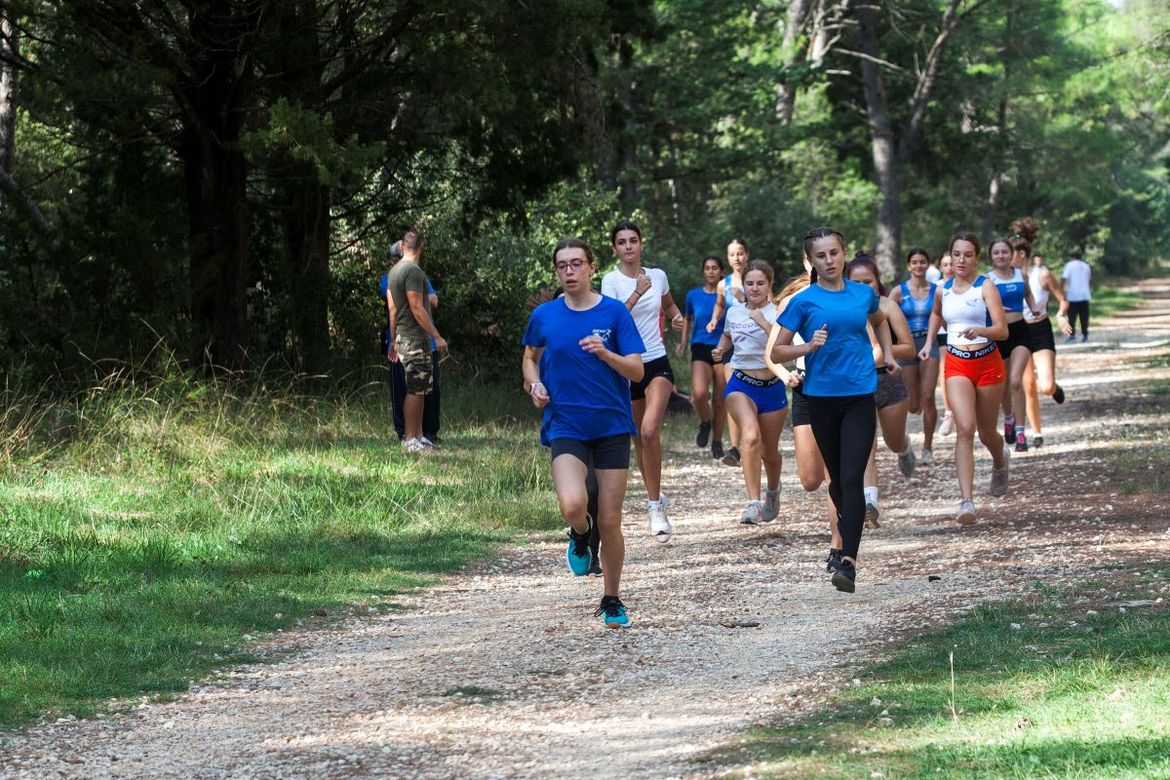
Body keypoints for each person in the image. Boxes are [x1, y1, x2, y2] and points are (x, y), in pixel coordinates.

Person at [521, 238, 645, 627]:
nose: (570, 271)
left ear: (592, 267)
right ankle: (578, 532)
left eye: (577, 264)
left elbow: (637, 371)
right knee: (574, 505)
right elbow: (529, 358)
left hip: (610, 425)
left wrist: (606, 354)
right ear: (557, 271)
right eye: (562, 265)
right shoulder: (544, 315)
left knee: (611, 519)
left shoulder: (613, 314)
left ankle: (611, 598)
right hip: (566, 424)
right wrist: (534, 385)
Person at [770, 227, 898, 594]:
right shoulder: (803, 302)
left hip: (859, 395)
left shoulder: (863, 294)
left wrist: (887, 355)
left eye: (834, 253)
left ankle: (848, 562)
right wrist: (808, 346)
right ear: (811, 261)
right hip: (820, 398)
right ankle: (848, 539)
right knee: (838, 482)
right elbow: (777, 352)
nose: (829, 261)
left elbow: (879, 320)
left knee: (853, 477)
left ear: (843, 254)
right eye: (821, 256)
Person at [601, 221, 685, 542]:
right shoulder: (610, 282)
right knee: (639, 437)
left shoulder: (658, 275)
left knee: (650, 429)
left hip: (657, 361)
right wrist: (637, 292)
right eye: (621, 242)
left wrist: (677, 318)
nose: (628, 246)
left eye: (632, 241)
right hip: (628, 366)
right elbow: (612, 318)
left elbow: (669, 305)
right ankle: (656, 501)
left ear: (641, 244)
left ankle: (654, 506)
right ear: (615, 249)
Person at [919, 232, 1010, 525]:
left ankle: (1000, 459)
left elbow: (1002, 330)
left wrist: (980, 331)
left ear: (976, 258)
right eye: (956, 254)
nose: (961, 260)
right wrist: (929, 341)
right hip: (958, 363)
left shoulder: (986, 287)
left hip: (987, 363)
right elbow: (935, 315)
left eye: (968, 255)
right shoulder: (941, 289)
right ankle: (966, 501)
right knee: (965, 429)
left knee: (986, 432)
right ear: (949, 256)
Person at [711, 260, 793, 524]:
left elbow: (783, 347)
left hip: (771, 387)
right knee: (750, 436)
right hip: (740, 383)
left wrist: (764, 324)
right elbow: (727, 335)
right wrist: (721, 349)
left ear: (769, 285)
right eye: (750, 283)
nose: (755, 288)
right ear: (743, 285)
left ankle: (773, 490)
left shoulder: (778, 312)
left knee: (770, 451)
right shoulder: (734, 313)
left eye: (760, 283)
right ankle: (753, 503)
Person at [845, 253, 917, 529]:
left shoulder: (887, 307)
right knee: (865, 443)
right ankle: (870, 502)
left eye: (868, 281)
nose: (863, 286)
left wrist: (881, 352)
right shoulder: (843, 309)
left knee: (892, 439)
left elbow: (909, 348)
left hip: (888, 380)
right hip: (856, 383)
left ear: (878, 283)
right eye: (857, 281)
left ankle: (905, 448)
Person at [386, 229, 448, 452]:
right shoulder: (413, 271)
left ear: (403, 247)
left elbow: (392, 309)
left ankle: (418, 435)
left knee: (420, 388)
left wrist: (393, 340)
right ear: (421, 247)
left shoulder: (394, 271)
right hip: (414, 338)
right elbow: (416, 307)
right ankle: (410, 439)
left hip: (404, 336)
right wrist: (436, 336)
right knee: (414, 389)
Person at [987, 237, 1040, 452]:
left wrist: (1034, 309)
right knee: (1003, 385)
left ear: (1011, 255)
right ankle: (1008, 417)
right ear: (991, 257)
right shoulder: (987, 279)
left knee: (1016, 381)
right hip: (998, 335)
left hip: (1020, 331)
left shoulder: (1021, 274)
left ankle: (1020, 432)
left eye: (1004, 252)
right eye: (996, 252)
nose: (1001, 256)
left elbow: (1028, 294)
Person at [889, 247, 940, 465]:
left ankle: (927, 447)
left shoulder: (937, 290)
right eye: (915, 262)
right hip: (906, 346)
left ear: (928, 264)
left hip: (929, 343)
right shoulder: (899, 292)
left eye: (922, 261)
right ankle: (905, 443)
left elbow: (942, 317)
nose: (919, 265)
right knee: (912, 404)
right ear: (909, 266)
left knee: (928, 397)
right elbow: (885, 318)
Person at [1021, 248, 1073, 447]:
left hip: (1041, 328)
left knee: (1046, 386)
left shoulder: (1042, 275)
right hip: (1020, 331)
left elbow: (1062, 300)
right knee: (1028, 386)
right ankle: (1036, 432)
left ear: (1022, 254)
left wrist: (1060, 316)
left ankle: (1054, 388)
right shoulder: (1007, 277)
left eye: (1012, 253)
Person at [677, 255, 727, 460]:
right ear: (703, 272)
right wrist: (682, 342)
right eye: (707, 268)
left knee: (719, 399)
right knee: (699, 394)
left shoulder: (728, 295)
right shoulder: (693, 296)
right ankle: (705, 422)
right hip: (699, 346)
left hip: (723, 348)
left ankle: (717, 441)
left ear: (721, 272)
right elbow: (687, 320)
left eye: (715, 268)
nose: (711, 271)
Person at [706, 238, 751, 466]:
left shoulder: (756, 278)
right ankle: (734, 448)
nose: (737, 258)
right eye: (732, 254)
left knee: (750, 393)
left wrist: (744, 298)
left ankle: (750, 441)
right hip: (731, 341)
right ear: (728, 256)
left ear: (747, 255)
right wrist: (714, 319)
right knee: (733, 391)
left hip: (753, 344)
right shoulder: (723, 284)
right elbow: (720, 304)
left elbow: (770, 306)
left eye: (740, 253)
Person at [936, 252, 956, 436]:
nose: (949, 268)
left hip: (965, 335)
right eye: (945, 264)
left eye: (951, 263)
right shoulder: (937, 288)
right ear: (941, 267)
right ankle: (949, 412)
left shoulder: (966, 286)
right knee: (945, 370)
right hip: (943, 335)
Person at [1062, 251, 1092, 342]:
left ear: (1073, 257)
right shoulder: (1086, 266)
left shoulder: (1069, 265)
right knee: (1084, 317)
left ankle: (1072, 335)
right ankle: (1085, 334)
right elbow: (1089, 279)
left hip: (1073, 296)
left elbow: (1064, 278)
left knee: (1072, 317)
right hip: (1084, 295)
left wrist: (1060, 290)